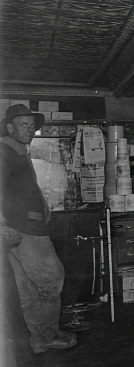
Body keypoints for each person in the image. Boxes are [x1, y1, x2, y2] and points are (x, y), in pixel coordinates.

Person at [0, 104, 77, 354]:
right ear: (10, 127)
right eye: (24, 125)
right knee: (52, 279)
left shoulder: (16, 150)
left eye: (32, 126)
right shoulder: (5, 150)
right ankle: (48, 334)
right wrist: (2, 224)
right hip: (23, 230)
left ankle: (41, 338)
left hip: (21, 227)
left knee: (29, 288)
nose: (30, 129)